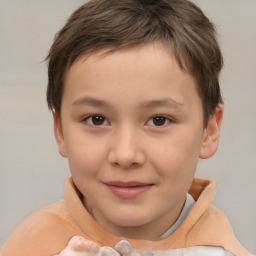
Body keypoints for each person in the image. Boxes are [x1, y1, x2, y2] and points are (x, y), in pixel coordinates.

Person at [1, 0, 253, 255]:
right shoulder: (30, 245)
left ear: (208, 131)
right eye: (96, 119)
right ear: (61, 132)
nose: (125, 155)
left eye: (159, 120)